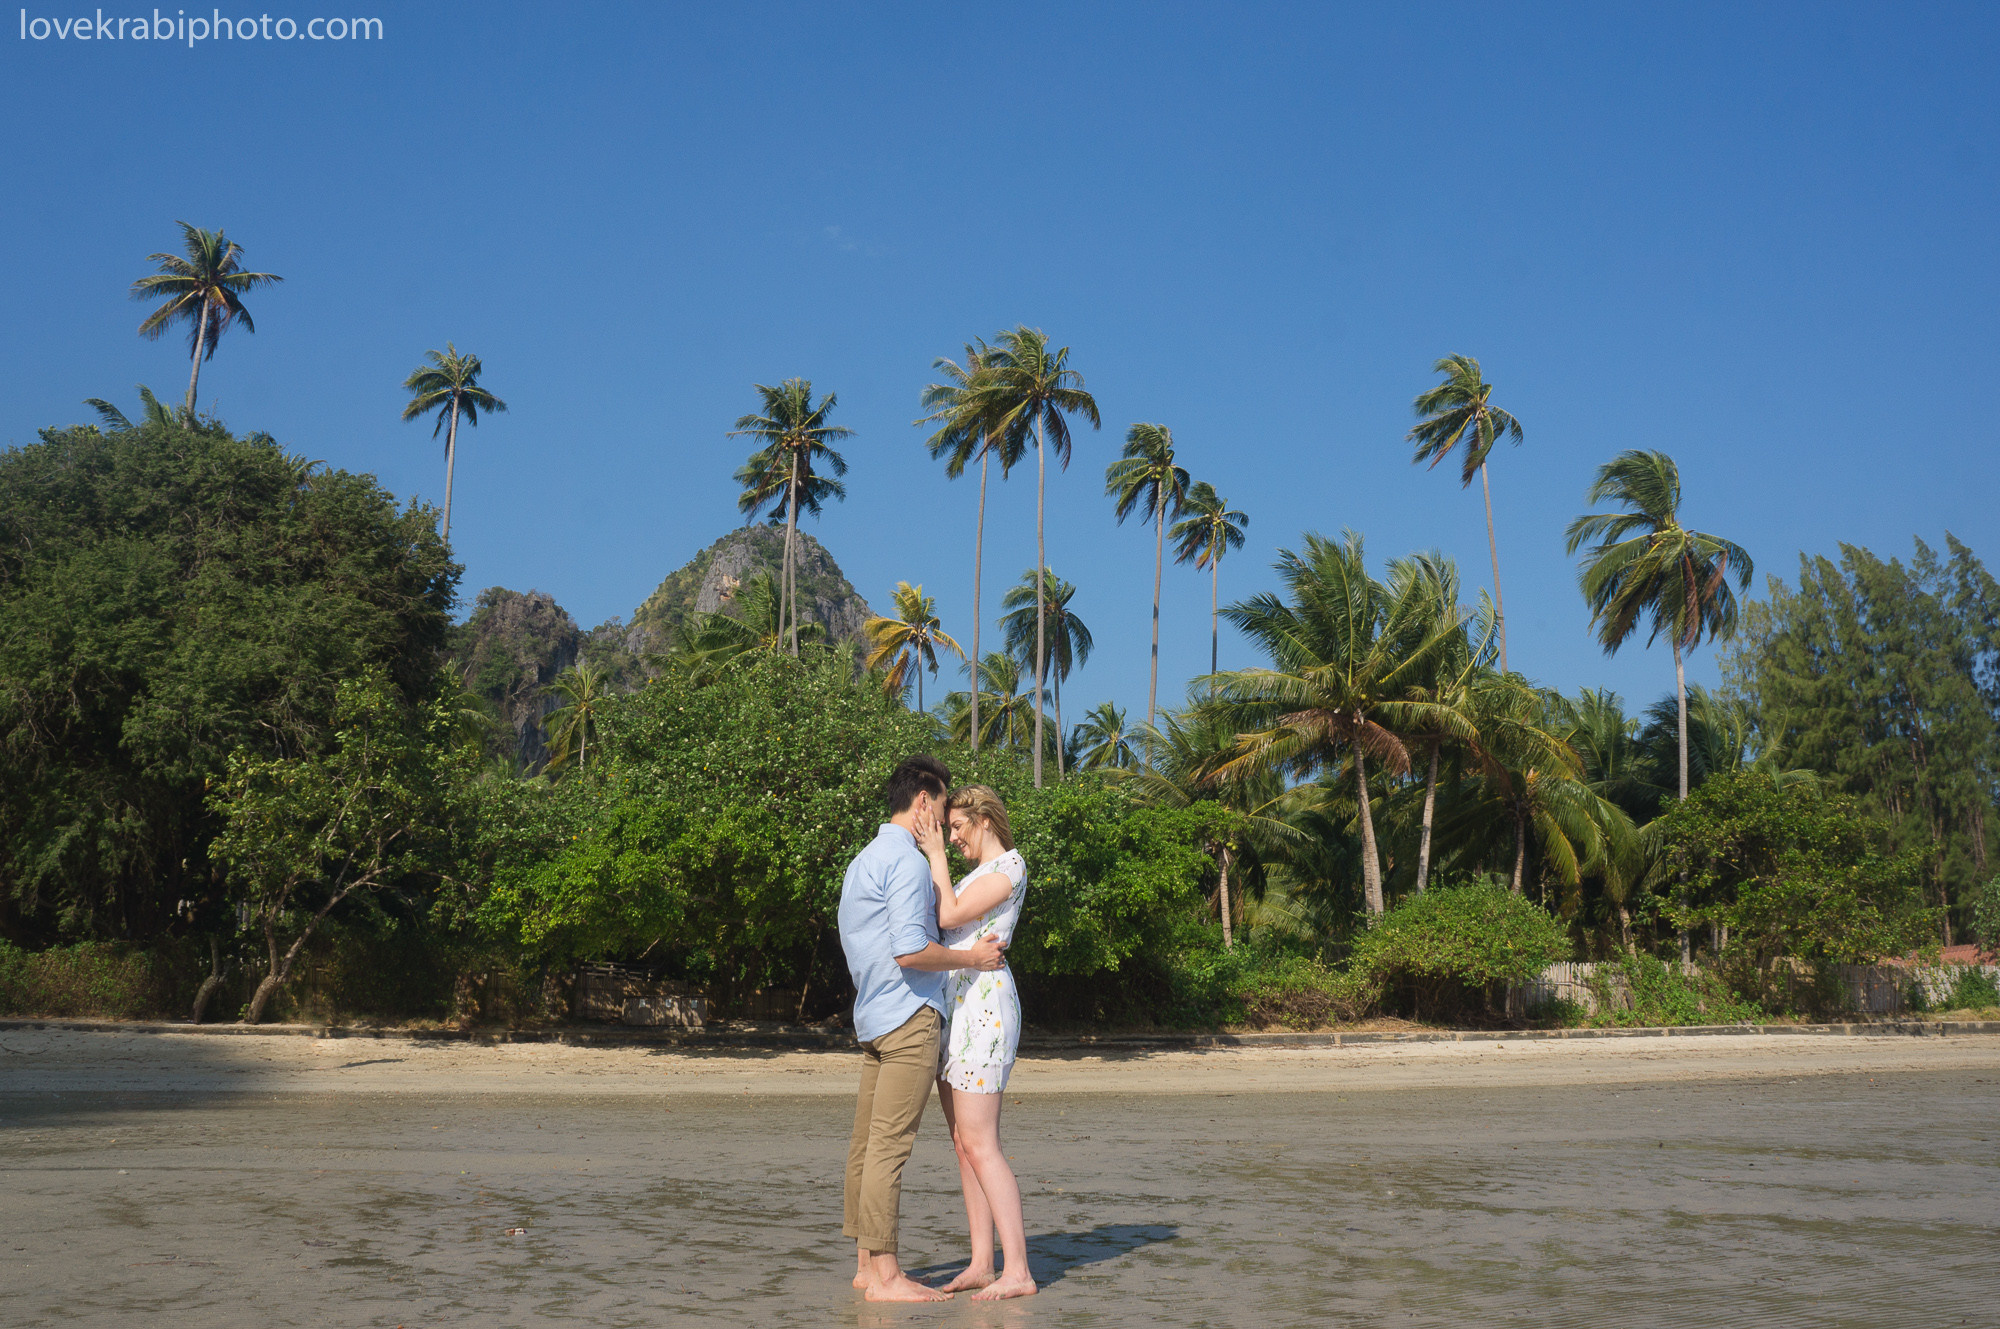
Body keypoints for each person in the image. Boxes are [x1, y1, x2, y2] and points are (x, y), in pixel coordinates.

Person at [838, 755, 1007, 1303]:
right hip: (908, 1020)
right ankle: (886, 1277)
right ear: (921, 802)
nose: (941, 819)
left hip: (870, 1016)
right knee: (889, 1148)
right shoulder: (908, 863)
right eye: (939, 805)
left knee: (866, 1146)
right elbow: (911, 950)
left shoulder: (862, 860)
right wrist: (970, 961)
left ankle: (867, 1266)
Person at [913, 783, 1037, 1300]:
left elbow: (948, 916)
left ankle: (1019, 1271)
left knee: (982, 1143)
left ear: (985, 820)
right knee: (964, 1144)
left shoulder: (1009, 868)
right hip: (961, 1010)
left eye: (958, 826)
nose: (953, 835)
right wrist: (944, 857)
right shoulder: (978, 873)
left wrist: (935, 853)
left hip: (985, 1012)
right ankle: (983, 1262)